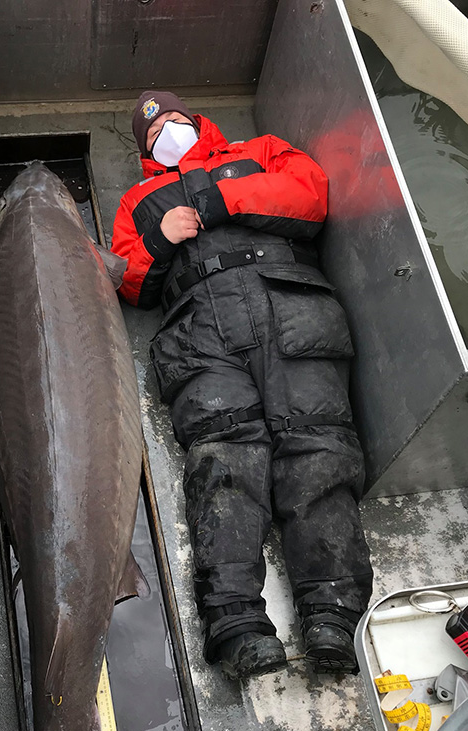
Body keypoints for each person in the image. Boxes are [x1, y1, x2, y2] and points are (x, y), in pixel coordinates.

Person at [111, 91, 374, 681]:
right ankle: (236, 624)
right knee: (224, 458)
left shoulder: (259, 152)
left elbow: (309, 197)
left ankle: (331, 611)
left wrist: (221, 197)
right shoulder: (138, 199)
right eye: (151, 135)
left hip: (290, 307)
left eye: (173, 121)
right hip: (200, 329)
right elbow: (128, 280)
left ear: (196, 120)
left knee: (318, 446)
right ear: (143, 153)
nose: (166, 132)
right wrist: (161, 240)